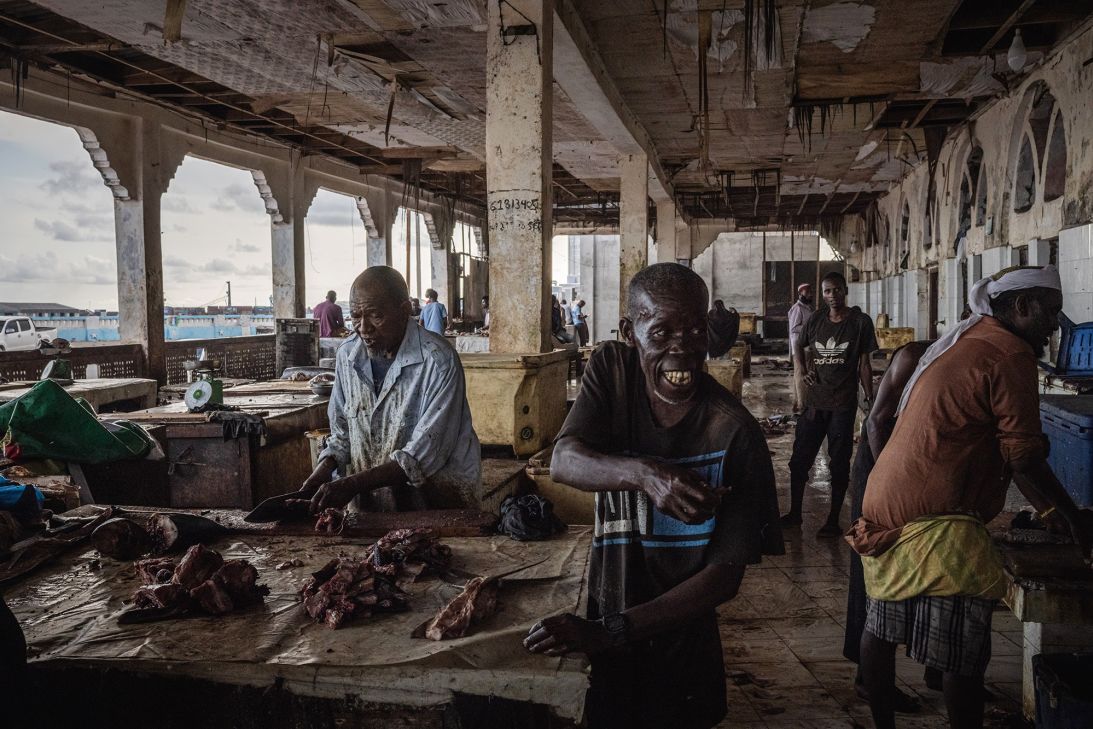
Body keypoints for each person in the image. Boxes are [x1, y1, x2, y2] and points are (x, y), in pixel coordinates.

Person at [524, 263, 782, 729]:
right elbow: (564, 460)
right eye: (661, 332)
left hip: (680, 649)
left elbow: (724, 578)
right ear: (630, 332)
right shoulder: (613, 370)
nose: (682, 348)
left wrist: (611, 631)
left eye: (695, 330)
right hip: (605, 626)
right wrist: (647, 475)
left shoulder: (735, 433)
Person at [851, 265, 1093, 729]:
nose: (1055, 326)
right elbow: (1024, 456)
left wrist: (1048, 509)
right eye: (1051, 313)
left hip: (885, 498)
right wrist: (1073, 518)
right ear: (1022, 306)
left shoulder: (969, 339)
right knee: (963, 657)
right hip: (936, 515)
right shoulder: (1010, 353)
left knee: (882, 626)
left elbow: (1009, 453)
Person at [302, 266, 481, 513]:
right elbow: (342, 433)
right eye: (355, 316)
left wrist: (352, 484)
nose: (363, 328)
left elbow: (421, 456)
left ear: (405, 311)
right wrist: (322, 471)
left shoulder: (438, 361)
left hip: (436, 502)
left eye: (376, 316)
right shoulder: (348, 355)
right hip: (369, 506)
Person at [843, 339, 932, 713]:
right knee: (875, 569)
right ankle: (868, 678)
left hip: (915, 470)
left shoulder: (979, 361)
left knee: (935, 567)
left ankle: (939, 668)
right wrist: (892, 481)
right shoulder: (915, 356)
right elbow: (876, 422)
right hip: (883, 469)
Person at [783, 271, 877, 536]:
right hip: (815, 403)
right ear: (822, 294)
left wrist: (869, 398)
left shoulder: (860, 322)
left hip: (842, 405)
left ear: (845, 290)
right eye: (827, 291)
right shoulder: (815, 319)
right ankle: (794, 514)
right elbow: (799, 344)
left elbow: (865, 364)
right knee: (799, 460)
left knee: (839, 463)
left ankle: (833, 521)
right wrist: (803, 370)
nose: (832, 295)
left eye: (836, 290)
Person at [787, 283, 815, 413]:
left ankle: (798, 403)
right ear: (800, 294)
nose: (810, 295)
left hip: (806, 346)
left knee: (799, 375)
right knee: (802, 374)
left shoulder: (807, 308)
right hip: (800, 348)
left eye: (811, 292)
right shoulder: (797, 308)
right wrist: (810, 327)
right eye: (807, 293)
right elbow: (794, 328)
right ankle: (802, 405)